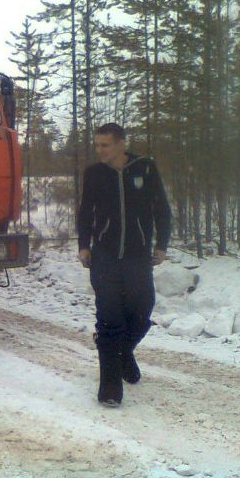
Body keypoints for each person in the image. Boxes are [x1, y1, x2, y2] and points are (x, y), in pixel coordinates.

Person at [77, 123, 171, 407]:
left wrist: (161, 245)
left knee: (142, 313)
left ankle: (124, 352)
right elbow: (85, 213)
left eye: (105, 145)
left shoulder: (145, 168)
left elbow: (162, 210)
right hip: (104, 257)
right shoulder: (94, 173)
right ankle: (109, 388)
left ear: (121, 144)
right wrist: (84, 245)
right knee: (109, 320)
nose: (99, 150)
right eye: (97, 145)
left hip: (137, 257)